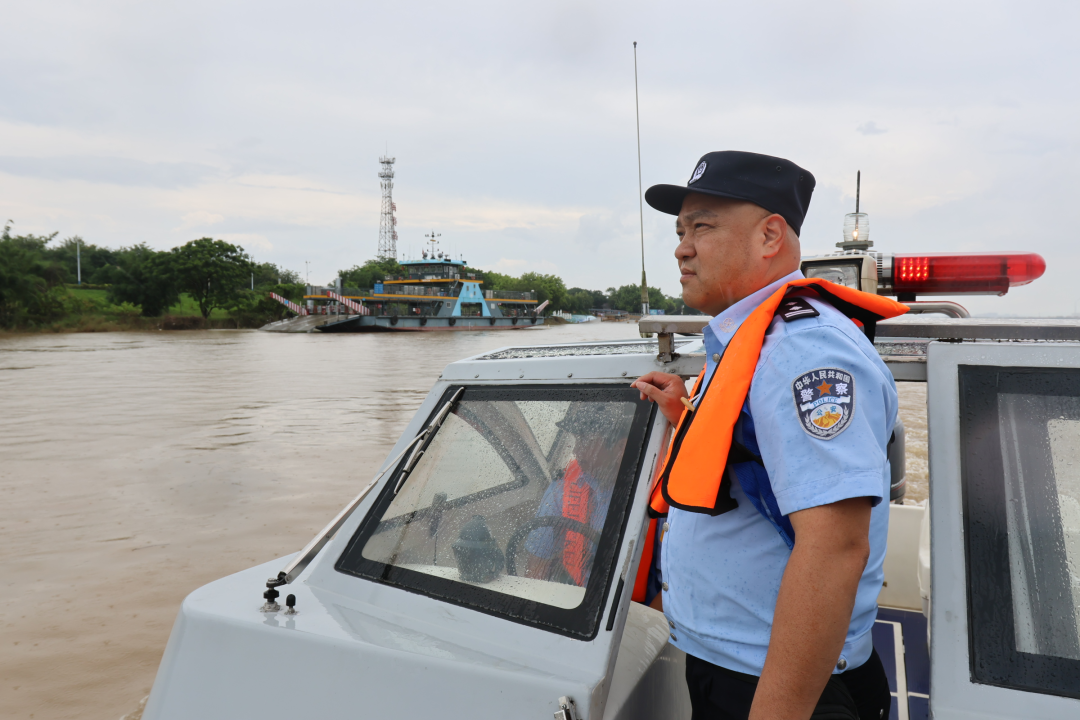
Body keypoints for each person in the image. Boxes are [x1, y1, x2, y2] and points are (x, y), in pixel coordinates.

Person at [631, 151, 908, 720]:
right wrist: (685, 414)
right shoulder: (751, 339)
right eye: (680, 230)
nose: (682, 246)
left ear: (770, 236)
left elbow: (835, 546)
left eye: (702, 226)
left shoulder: (804, 351)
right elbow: (757, 456)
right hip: (733, 664)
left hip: (779, 686)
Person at [523, 403, 630, 586]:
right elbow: (538, 563)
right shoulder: (562, 486)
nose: (575, 450)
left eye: (586, 441)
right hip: (574, 600)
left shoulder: (650, 494)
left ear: (620, 448)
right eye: (576, 441)